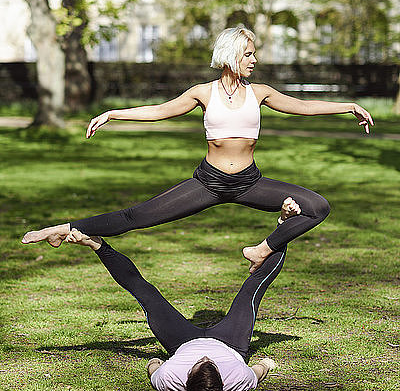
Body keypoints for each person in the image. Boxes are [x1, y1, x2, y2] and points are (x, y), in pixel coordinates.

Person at [22, 26, 373, 272]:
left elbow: (303, 106)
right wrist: (113, 113)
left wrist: (348, 106)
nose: (254, 60)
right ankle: (65, 228)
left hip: (249, 182)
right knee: (137, 217)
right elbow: (159, 111)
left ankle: (261, 249)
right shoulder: (202, 93)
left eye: (254, 54)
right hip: (208, 183)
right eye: (248, 54)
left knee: (317, 207)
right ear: (232, 54)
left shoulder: (260, 92)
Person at [64, 217, 290, 391]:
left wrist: (155, 361)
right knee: (254, 287)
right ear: (223, 379)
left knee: (145, 293)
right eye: (210, 363)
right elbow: (260, 370)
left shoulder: (170, 379)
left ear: (187, 378)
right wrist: (267, 365)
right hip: (231, 343)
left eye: (200, 363)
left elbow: (153, 365)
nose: (205, 357)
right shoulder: (238, 379)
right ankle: (285, 226)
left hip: (182, 343)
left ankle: (97, 245)